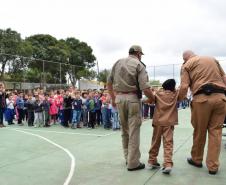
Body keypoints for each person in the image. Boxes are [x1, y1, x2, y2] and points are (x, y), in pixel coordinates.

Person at [107, 45, 154, 171]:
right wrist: (152, 99)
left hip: (119, 99)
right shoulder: (139, 64)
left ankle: (127, 158)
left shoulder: (117, 62)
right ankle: (133, 163)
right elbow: (145, 87)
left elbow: (109, 83)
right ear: (138, 53)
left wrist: (113, 99)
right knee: (134, 132)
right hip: (132, 98)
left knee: (124, 130)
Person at [179, 50, 226, 175]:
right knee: (216, 132)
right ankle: (213, 166)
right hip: (221, 98)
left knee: (200, 131)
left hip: (202, 99)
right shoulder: (212, 59)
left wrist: (178, 100)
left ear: (185, 58)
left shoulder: (187, 65)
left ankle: (197, 159)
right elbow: (224, 78)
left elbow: (184, 87)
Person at [147, 79, 182, 174]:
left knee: (155, 141)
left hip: (158, 121)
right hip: (169, 122)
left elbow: (150, 99)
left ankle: (152, 160)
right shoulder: (175, 95)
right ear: (173, 87)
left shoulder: (158, 94)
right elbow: (182, 91)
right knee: (168, 143)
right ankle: (168, 164)